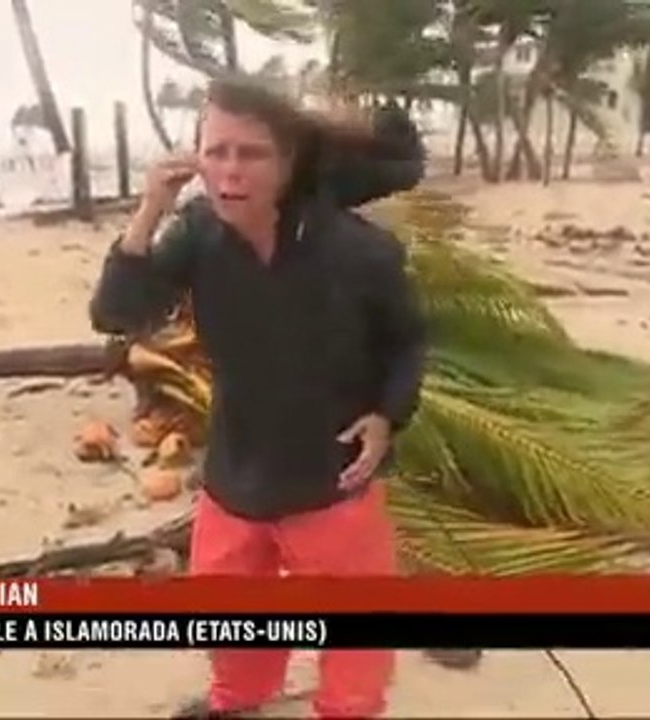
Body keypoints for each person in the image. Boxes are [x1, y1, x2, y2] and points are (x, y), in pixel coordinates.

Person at [89, 79, 427, 719]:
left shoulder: (358, 251)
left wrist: (387, 418)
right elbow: (117, 313)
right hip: (236, 476)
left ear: (289, 162)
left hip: (334, 479)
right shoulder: (196, 235)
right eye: (215, 152)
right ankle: (240, 701)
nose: (230, 171)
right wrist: (148, 212)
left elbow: (408, 343)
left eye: (251, 153)